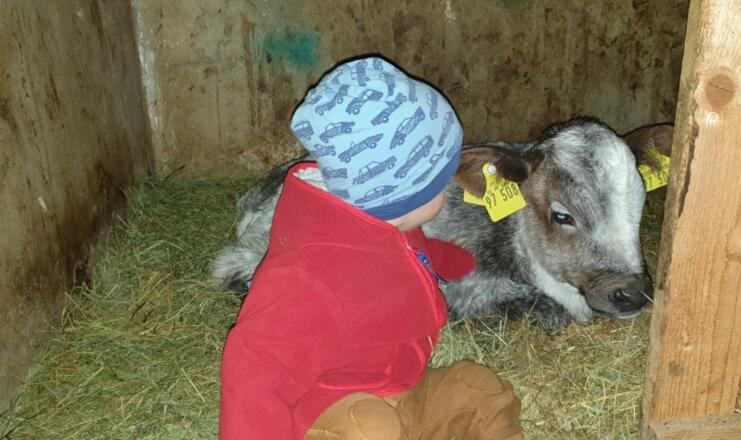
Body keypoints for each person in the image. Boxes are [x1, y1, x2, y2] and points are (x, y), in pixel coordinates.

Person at [219, 56, 524, 440]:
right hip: (335, 409)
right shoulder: (305, 277)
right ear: (408, 192)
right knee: (373, 430)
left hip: (403, 387)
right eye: (444, 177)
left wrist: (452, 260)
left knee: (480, 391)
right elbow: (253, 370)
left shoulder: (385, 222)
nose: (452, 186)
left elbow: (407, 258)